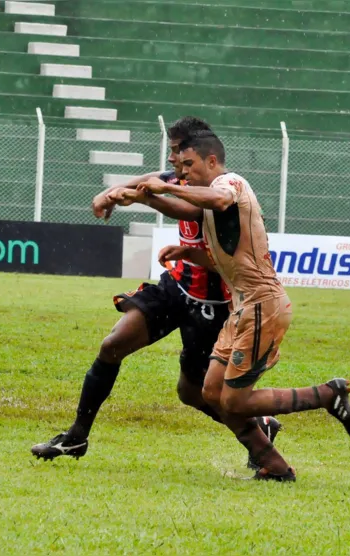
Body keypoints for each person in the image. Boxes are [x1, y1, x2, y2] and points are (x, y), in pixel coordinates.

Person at [31, 118, 282, 470]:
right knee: (111, 346)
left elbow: (188, 208)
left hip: (214, 305)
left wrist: (145, 198)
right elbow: (156, 177)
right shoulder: (180, 176)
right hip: (176, 287)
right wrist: (113, 191)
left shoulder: (220, 190)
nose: (174, 159)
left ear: (202, 155)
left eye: (179, 151)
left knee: (193, 393)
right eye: (173, 153)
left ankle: (261, 430)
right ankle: (76, 437)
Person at [130, 130, 350, 482]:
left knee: (234, 402)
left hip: (262, 306)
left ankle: (328, 395)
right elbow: (223, 248)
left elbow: (218, 200)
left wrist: (166, 187)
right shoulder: (207, 202)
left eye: (189, 164)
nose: (183, 171)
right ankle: (275, 467)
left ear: (211, 161)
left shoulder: (230, 182)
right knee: (210, 392)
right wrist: (186, 249)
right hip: (243, 309)